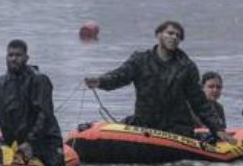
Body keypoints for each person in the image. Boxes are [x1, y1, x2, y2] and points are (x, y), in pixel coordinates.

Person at [84, 20, 233, 143]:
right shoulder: (140, 60)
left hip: (176, 128)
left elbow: (199, 101)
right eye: (170, 33)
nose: (174, 37)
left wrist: (217, 129)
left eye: (178, 35)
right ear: (158, 35)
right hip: (145, 125)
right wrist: (99, 82)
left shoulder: (187, 67)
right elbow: (119, 76)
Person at [0, 39, 66, 166]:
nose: (14, 59)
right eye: (10, 55)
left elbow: (44, 114)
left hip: (45, 142)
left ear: (26, 58)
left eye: (18, 55)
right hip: (14, 144)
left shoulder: (39, 80)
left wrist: (30, 142)